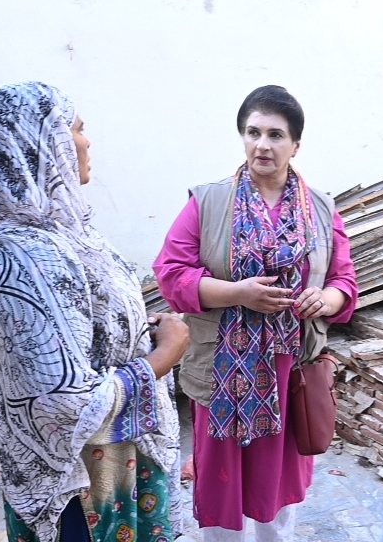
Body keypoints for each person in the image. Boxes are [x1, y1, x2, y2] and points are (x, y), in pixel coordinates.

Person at [0, 82, 189, 542]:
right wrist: (165, 355)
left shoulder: (60, 236)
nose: (86, 141)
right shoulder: (24, 262)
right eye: (77, 129)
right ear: (42, 144)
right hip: (82, 488)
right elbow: (64, 405)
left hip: (113, 465)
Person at [153, 85, 358, 542]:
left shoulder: (321, 209)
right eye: (253, 132)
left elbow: (344, 281)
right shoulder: (208, 203)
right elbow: (171, 273)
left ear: (295, 145)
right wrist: (237, 294)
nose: (262, 144)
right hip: (223, 370)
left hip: (289, 372)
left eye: (275, 135)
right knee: (221, 480)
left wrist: (325, 300)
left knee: (277, 482)